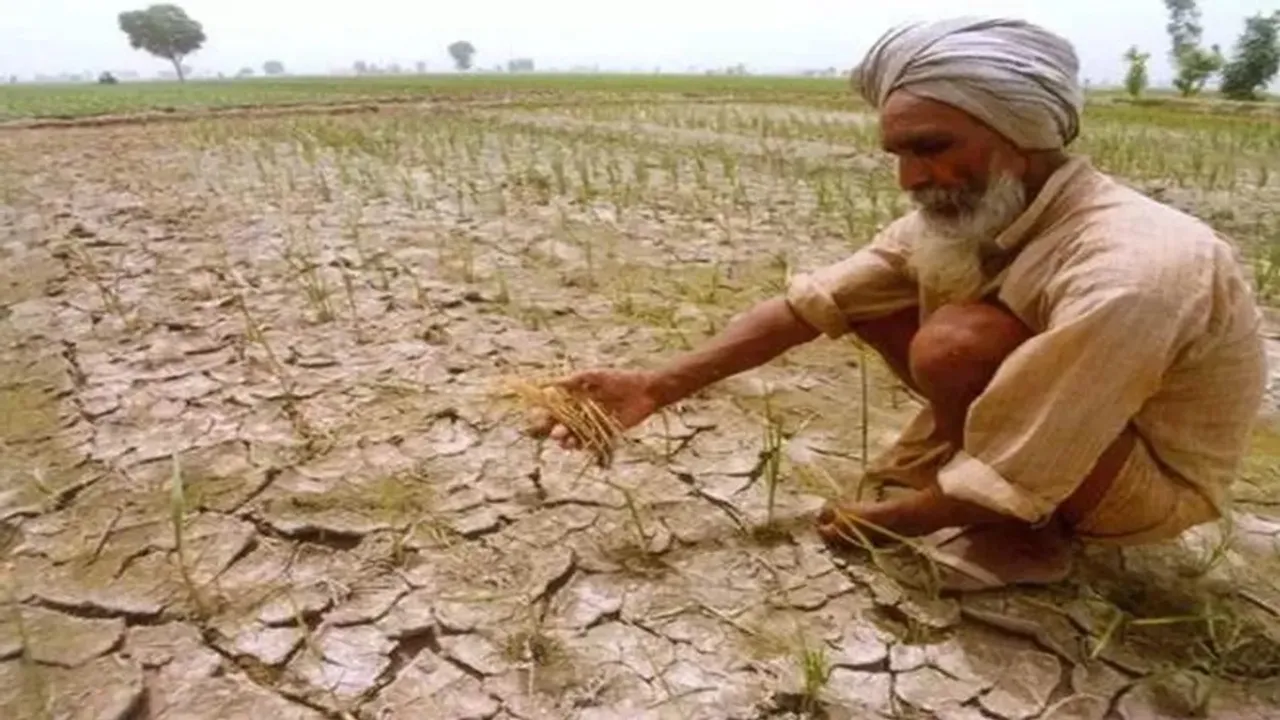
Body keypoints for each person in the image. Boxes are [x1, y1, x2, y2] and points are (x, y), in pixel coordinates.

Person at [527, 17, 1269, 590]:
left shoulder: (1134, 266)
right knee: (879, 303)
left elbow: (1060, 420)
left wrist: (898, 520)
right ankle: (974, 482)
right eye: (902, 155)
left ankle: (1030, 531)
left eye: (933, 146)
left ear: (1021, 134)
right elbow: (812, 304)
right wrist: (656, 385)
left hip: (1141, 484)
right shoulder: (971, 213)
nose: (913, 178)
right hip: (1066, 423)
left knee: (959, 342)